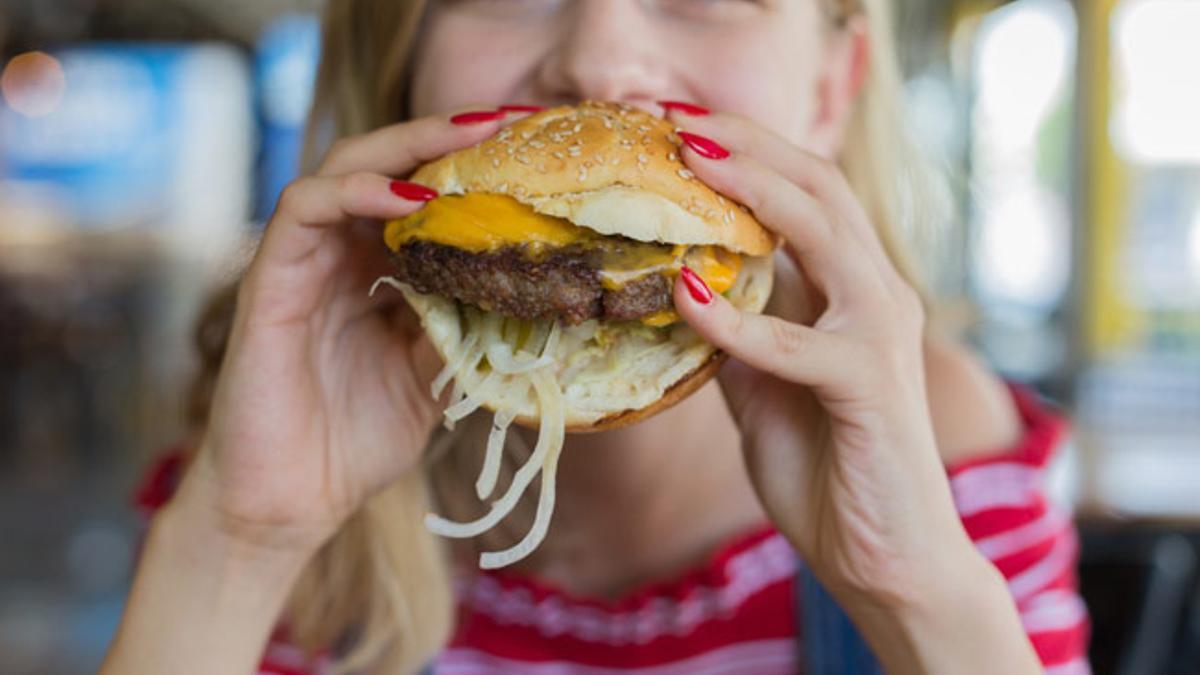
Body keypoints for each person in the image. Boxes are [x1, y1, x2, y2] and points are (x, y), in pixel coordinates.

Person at [101, 0, 1090, 673]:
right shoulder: (254, 464)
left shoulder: (958, 455)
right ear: (399, 58)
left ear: (831, 90)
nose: (598, 61)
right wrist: (239, 545)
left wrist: (915, 596)